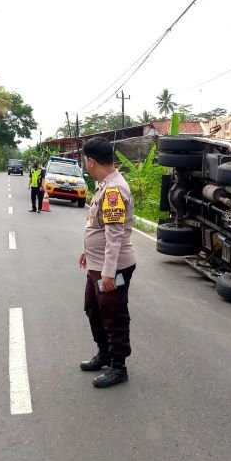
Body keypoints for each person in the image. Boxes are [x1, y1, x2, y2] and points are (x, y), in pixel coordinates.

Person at [78, 137, 137, 389]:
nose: (85, 164)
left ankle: (118, 366)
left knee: (113, 315)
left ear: (91, 161)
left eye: (84, 160)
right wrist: (87, 251)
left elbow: (114, 236)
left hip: (111, 267)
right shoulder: (104, 184)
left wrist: (109, 273)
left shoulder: (113, 190)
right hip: (97, 263)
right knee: (93, 309)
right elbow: (98, 226)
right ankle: (104, 353)